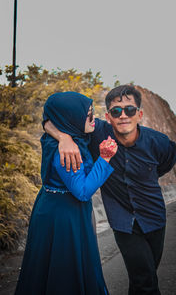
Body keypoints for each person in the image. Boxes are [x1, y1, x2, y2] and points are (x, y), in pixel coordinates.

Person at [44, 85, 176, 295]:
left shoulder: (158, 142)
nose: (123, 116)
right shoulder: (95, 132)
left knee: (144, 276)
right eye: (116, 111)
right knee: (145, 280)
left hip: (154, 216)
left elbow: (166, 163)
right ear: (108, 116)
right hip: (123, 222)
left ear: (139, 114)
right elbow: (54, 119)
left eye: (130, 110)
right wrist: (64, 138)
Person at [15, 91, 118, 295]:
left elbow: (48, 117)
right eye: (88, 114)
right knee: (64, 271)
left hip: (56, 208)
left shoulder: (68, 138)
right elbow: (82, 191)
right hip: (63, 215)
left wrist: (64, 136)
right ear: (71, 118)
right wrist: (105, 158)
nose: (93, 118)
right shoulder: (67, 152)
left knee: (55, 267)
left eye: (93, 112)